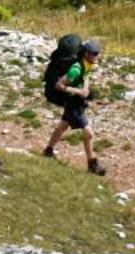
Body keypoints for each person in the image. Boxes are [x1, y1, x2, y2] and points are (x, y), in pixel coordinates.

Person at [44, 38, 106, 175]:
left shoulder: (87, 64)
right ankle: (92, 164)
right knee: (89, 134)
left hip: (76, 101)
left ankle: (48, 150)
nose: (97, 56)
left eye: (98, 53)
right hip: (74, 104)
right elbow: (59, 85)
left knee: (63, 125)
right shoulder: (75, 69)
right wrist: (79, 92)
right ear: (86, 54)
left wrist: (86, 88)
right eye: (94, 54)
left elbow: (87, 75)